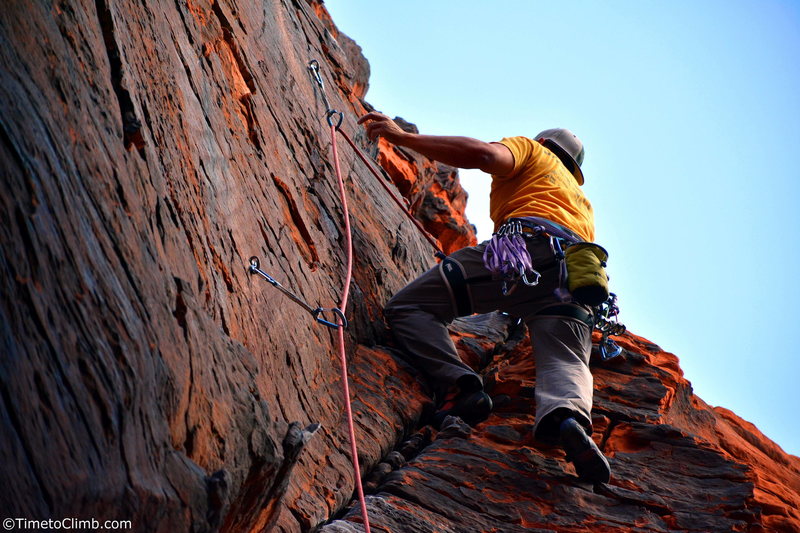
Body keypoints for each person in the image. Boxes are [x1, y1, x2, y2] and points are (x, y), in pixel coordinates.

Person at [357, 112, 611, 484]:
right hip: (574, 276)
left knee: (411, 307)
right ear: (577, 170)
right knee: (566, 360)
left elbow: (485, 155)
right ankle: (568, 417)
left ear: (543, 144)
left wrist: (405, 139)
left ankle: (460, 386)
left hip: (524, 252)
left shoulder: (534, 153)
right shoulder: (581, 201)